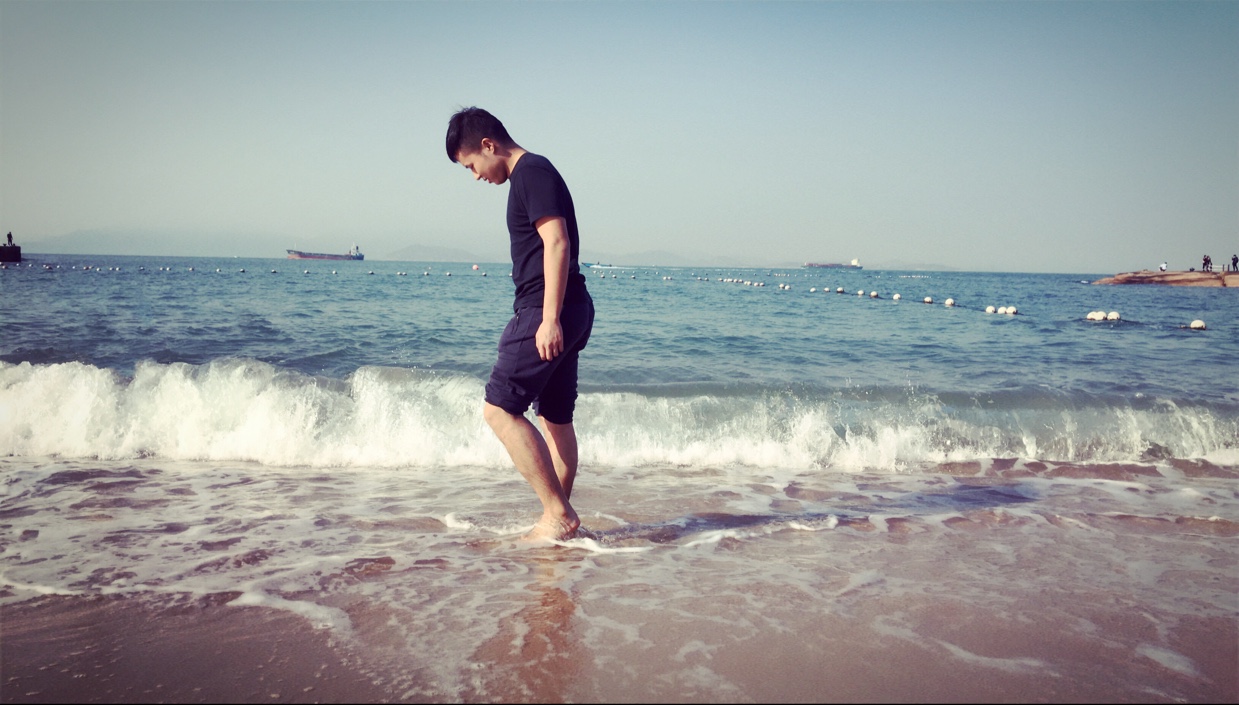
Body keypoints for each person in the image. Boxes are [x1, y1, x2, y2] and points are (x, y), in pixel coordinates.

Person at [445, 107, 594, 542]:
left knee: (498, 410)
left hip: (546, 308)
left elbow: (557, 242)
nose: (475, 176)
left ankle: (558, 514)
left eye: (471, 165)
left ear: (488, 145)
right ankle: (558, 521)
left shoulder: (531, 172)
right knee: (555, 419)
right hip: (570, 306)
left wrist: (548, 319)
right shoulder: (533, 174)